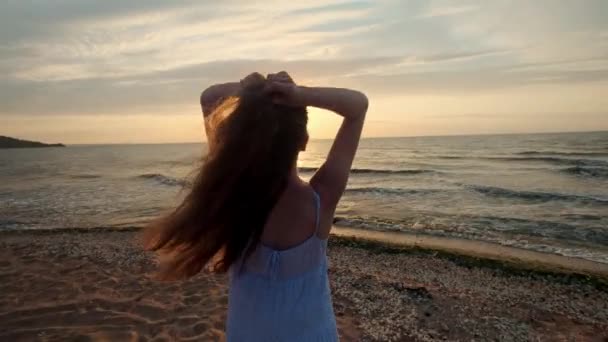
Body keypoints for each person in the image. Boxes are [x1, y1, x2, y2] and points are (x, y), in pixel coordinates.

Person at [144, 71, 368, 341]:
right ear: (304, 140)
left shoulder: (231, 196)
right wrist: (300, 94)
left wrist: (251, 90)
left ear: (241, 139)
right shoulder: (321, 199)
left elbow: (209, 98)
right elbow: (358, 106)